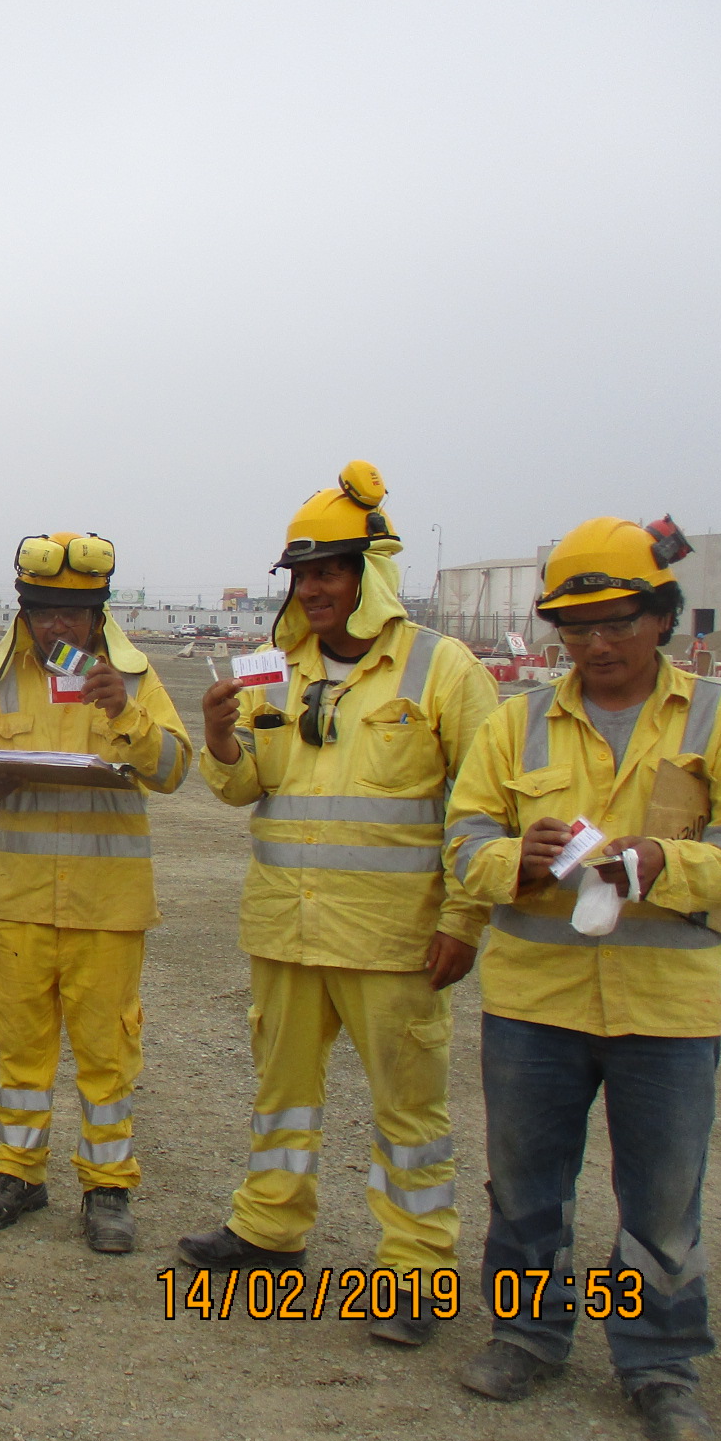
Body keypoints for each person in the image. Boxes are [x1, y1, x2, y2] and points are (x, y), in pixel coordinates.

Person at [444, 515, 721, 1441]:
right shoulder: (517, 723)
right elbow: (463, 844)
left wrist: (664, 862)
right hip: (533, 1006)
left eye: (618, 624)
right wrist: (521, 857)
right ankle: (525, 1334)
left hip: (668, 1014)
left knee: (663, 1197)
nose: (595, 645)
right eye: (576, 628)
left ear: (661, 618)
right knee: (524, 1185)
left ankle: (660, 1364)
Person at [179, 462, 498, 1347]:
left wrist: (464, 921)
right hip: (285, 928)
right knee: (280, 1092)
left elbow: (486, 807)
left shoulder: (445, 670)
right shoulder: (272, 670)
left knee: (409, 1112)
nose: (313, 590)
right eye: (301, 575)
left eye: (330, 571)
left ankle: (417, 1272)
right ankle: (270, 1226)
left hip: (394, 941)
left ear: (372, 575)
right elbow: (248, 787)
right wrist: (217, 735)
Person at [0, 532, 192, 1253]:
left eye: (74, 613)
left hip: (106, 907)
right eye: (46, 611)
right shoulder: (4, 678)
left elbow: (177, 768)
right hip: (21, 902)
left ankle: (108, 1188)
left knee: (104, 1052)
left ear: (98, 616)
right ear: (24, 610)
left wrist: (128, 714)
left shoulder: (136, 678)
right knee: (22, 1051)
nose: (59, 626)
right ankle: (18, 1175)